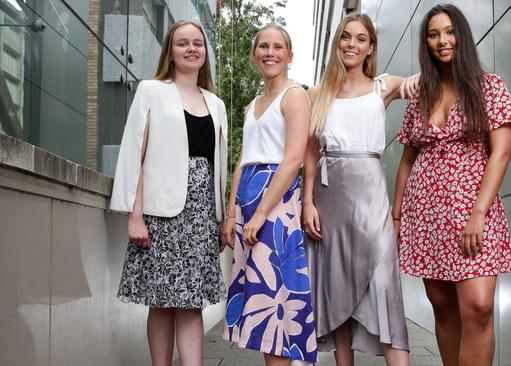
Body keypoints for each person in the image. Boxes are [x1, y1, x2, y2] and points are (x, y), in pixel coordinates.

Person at [393, 4, 511, 366]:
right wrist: (398, 216)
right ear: (426, 43)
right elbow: (406, 160)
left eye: (449, 31)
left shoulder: (490, 86)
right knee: (444, 309)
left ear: (461, 35)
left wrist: (478, 213)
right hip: (426, 215)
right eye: (433, 34)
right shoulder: (421, 97)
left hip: (474, 211)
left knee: (478, 307)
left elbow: (501, 154)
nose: (442, 40)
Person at [110, 20, 228, 366]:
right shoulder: (151, 90)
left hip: (201, 214)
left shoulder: (216, 103)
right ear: (171, 53)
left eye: (198, 43)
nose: (192, 49)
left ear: (205, 53)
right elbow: (136, 153)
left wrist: (220, 219)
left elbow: (218, 165)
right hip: (161, 213)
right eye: (182, 44)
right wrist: (135, 214)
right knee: (160, 300)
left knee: (192, 302)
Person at [302, 12, 410, 366]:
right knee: (337, 289)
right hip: (329, 196)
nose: (351, 44)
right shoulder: (318, 93)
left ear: (370, 48)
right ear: (338, 44)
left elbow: (428, 81)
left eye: (360, 39)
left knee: (384, 284)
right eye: (346, 37)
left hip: (370, 192)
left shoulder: (384, 85)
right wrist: (307, 202)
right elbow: (310, 152)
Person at [221, 24, 317, 366]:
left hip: (274, 205)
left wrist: (261, 213)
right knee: (261, 299)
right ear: (254, 54)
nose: (270, 52)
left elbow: (293, 159)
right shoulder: (252, 104)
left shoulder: (295, 96)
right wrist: (232, 213)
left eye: (278, 47)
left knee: (274, 299)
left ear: (289, 55)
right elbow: (242, 162)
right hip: (249, 202)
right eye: (263, 46)